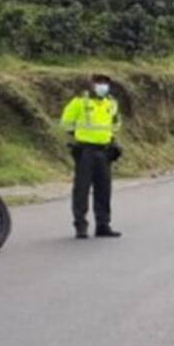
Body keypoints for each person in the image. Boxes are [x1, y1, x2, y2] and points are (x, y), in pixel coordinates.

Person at [60, 74, 122, 239]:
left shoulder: (111, 103)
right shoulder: (80, 102)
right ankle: (81, 226)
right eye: (99, 83)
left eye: (105, 83)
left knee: (104, 190)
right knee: (82, 189)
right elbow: (66, 122)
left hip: (104, 150)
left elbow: (116, 124)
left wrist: (111, 141)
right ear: (91, 85)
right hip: (85, 150)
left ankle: (103, 225)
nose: (103, 86)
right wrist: (78, 136)